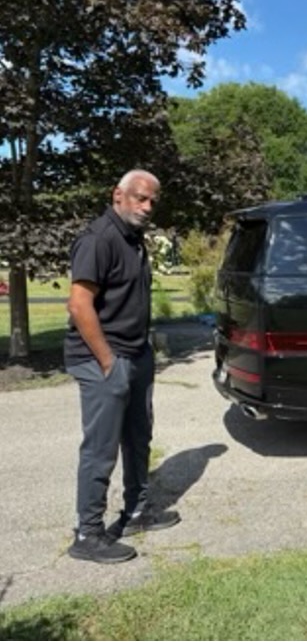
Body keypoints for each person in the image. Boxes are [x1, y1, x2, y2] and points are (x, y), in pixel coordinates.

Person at [64, 169, 180, 564]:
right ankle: (88, 533)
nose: (147, 207)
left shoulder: (133, 239)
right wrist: (108, 362)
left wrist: (140, 353)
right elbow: (80, 305)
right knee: (100, 450)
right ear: (119, 195)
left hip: (136, 353)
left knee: (138, 436)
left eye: (152, 201)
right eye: (140, 198)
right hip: (103, 357)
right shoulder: (99, 239)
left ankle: (135, 512)